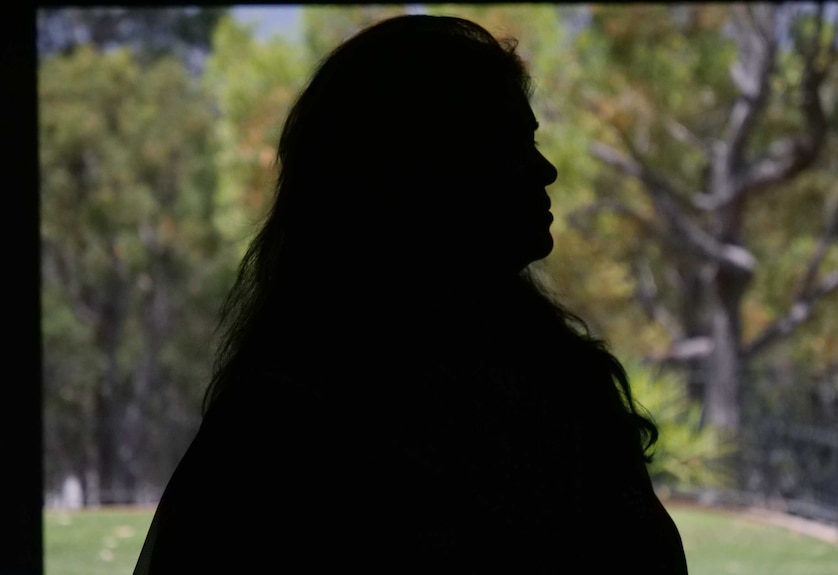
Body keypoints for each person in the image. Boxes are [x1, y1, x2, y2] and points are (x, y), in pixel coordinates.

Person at [134, 13, 688, 574]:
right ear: (431, 173)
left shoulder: (559, 381)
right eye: (511, 145)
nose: (545, 170)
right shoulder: (289, 429)